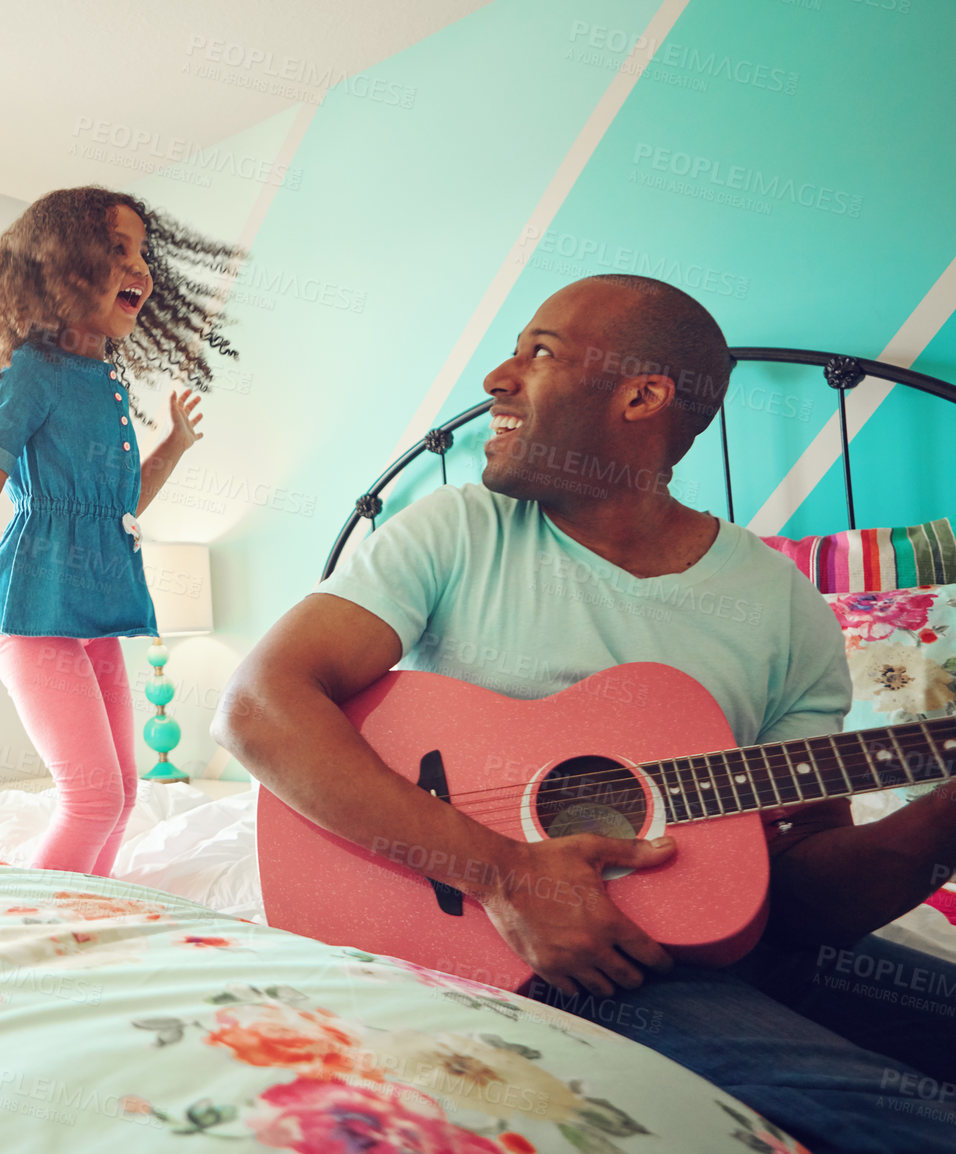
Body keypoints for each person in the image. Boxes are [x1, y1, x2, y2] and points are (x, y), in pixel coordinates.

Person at [212, 274, 956, 1153]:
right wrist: (505, 874)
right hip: (510, 943)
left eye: (540, 352)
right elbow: (261, 708)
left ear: (643, 396)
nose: (496, 376)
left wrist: (943, 819)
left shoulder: (780, 603)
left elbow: (798, 900)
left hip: (716, 944)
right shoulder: (457, 529)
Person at [0, 187, 240, 876]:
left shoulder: (104, 379)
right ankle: (37, 928)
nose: (141, 269)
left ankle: (87, 915)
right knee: (93, 799)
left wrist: (177, 445)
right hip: (32, 611)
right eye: (118, 251)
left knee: (125, 795)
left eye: (142, 253)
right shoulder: (33, 371)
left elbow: (122, 504)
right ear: (66, 268)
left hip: (91, 611)